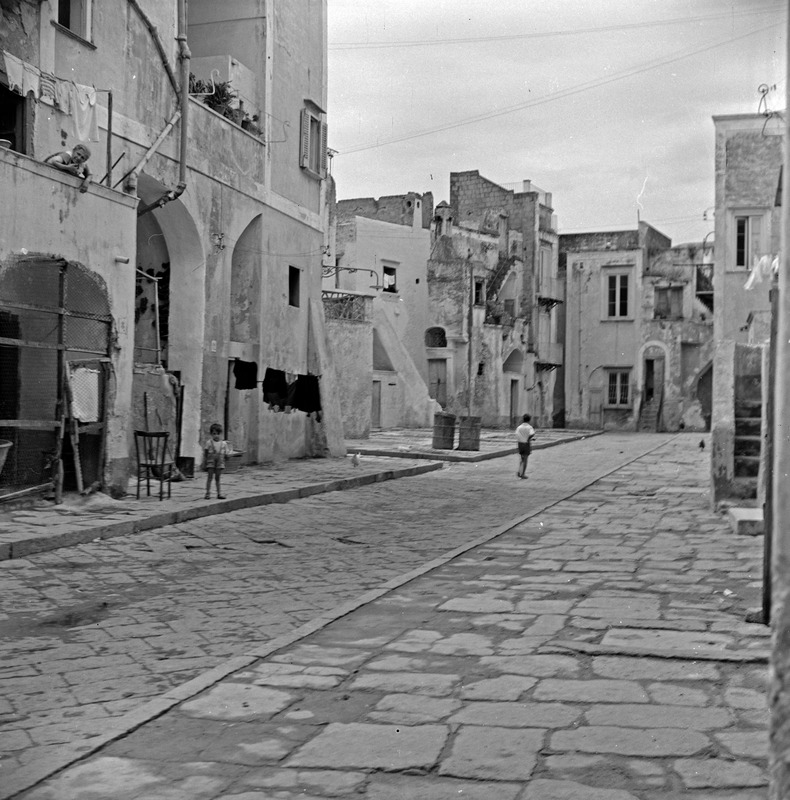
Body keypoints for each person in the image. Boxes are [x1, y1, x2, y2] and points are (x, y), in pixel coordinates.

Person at [203, 423, 231, 499]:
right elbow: (206, 452)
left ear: (221, 434)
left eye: (218, 434)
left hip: (219, 462)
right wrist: (206, 461)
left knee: (218, 478)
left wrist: (226, 457)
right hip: (211, 462)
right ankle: (207, 493)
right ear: (211, 434)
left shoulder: (224, 444)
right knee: (210, 477)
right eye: (214, 434)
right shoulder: (209, 442)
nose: (216, 436)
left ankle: (219, 494)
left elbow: (226, 453)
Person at [515, 413, 536, 479]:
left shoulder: (519, 427)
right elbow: (532, 434)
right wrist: (528, 439)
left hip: (520, 444)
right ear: (529, 420)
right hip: (526, 444)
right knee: (526, 459)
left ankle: (519, 471)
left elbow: (517, 434)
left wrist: (521, 439)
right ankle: (523, 474)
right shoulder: (529, 427)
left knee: (522, 458)